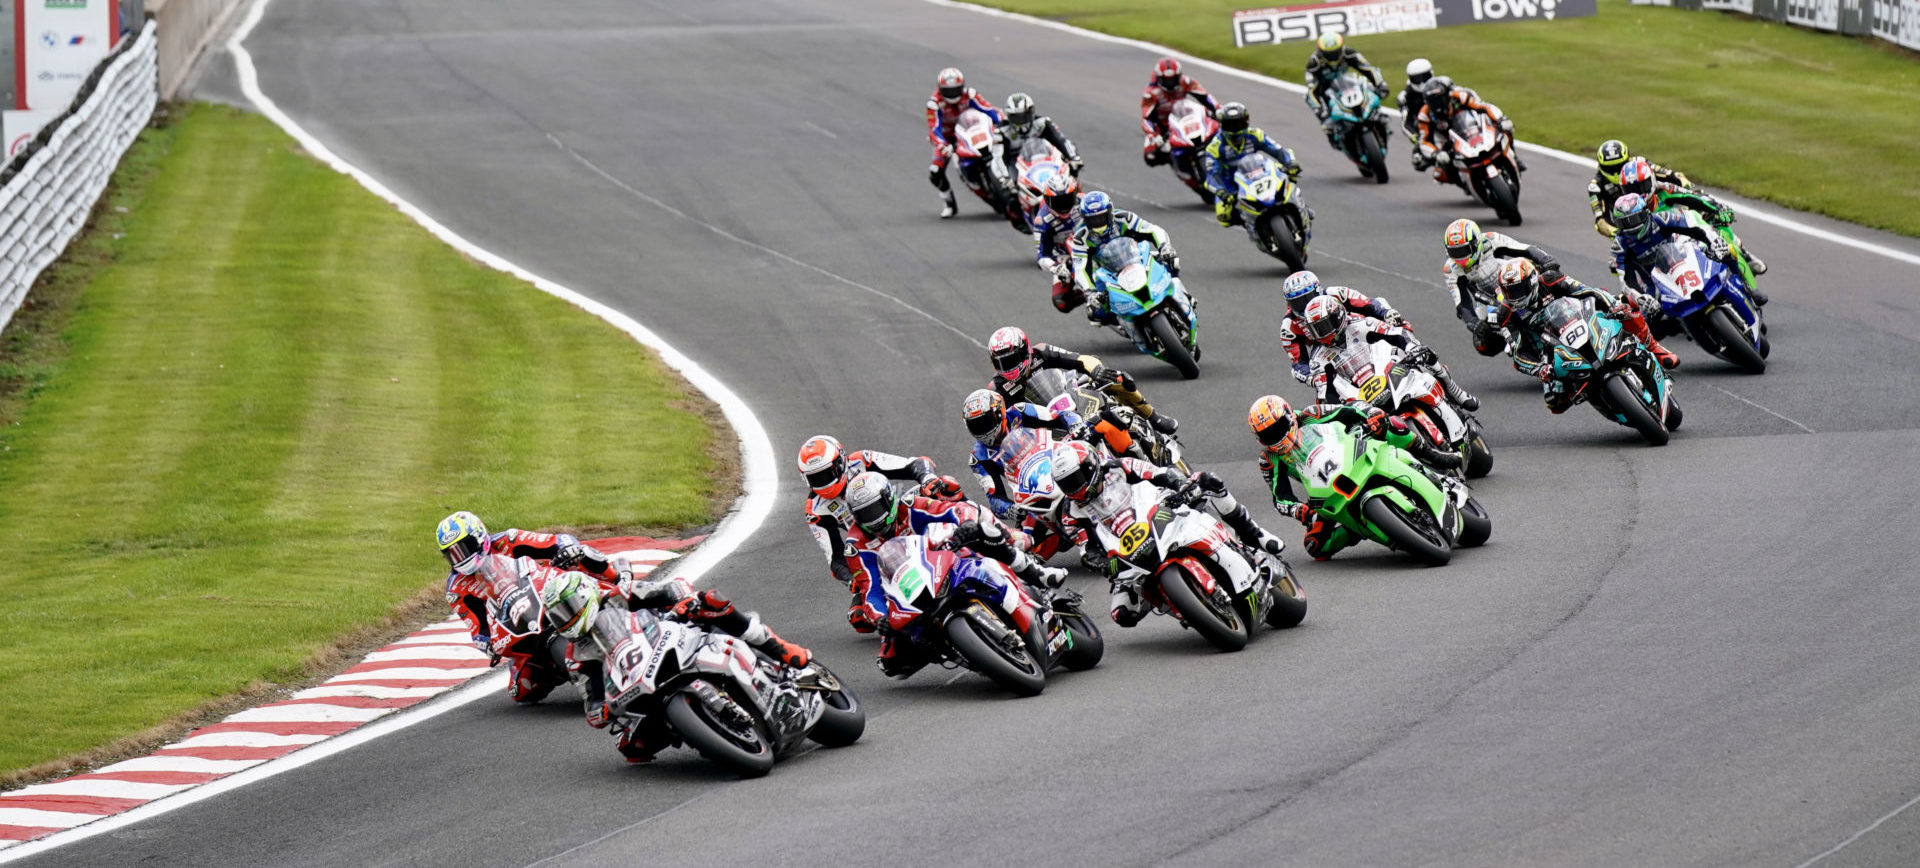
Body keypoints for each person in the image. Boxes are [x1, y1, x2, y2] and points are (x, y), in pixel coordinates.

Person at [543, 570, 811, 762]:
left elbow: (670, 588)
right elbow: (590, 699)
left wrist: (684, 600)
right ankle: (711, 734)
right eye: (559, 616)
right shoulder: (575, 655)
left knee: (712, 602)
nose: (567, 618)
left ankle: (780, 648)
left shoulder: (619, 596)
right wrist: (600, 711)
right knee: (633, 748)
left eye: (570, 608)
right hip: (640, 684)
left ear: (585, 595)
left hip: (675, 636)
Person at [842, 471, 1066, 677]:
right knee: (892, 662)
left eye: (875, 509)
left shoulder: (910, 506)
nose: (873, 518)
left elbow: (952, 510)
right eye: (864, 514)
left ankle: (1037, 573)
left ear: (888, 498)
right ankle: (963, 651)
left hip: (945, 560)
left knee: (984, 533)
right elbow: (868, 588)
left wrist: (966, 524)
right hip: (908, 591)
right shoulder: (856, 544)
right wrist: (880, 618)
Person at [1049, 440, 1283, 627]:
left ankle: (1253, 537)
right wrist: (1104, 564)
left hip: (1160, 515)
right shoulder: (1071, 511)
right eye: (1067, 484)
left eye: (1076, 479)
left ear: (1091, 465)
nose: (1074, 488)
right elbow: (1086, 549)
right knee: (1122, 614)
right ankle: (1185, 607)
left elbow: (1158, 473)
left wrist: (1180, 486)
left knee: (1209, 481)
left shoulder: (1119, 468)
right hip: (1128, 553)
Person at [1247, 395, 1445, 560]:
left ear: (1289, 415)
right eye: (1268, 435)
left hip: (1350, 450)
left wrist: (1370, 414)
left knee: (1388, 423)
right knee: (1315, 546)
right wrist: (1299, 510)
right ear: (1260, 439)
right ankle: (1359, 528)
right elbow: (1280, 498)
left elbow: (1348, 409)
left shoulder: (1310, 415)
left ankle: (1428, 454)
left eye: (1279, 426)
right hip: (1325, 489)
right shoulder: (1269, 459)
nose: (1277, 436)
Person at [795, 435, 958, 633]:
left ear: (841, 462)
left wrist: (927, 478)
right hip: (875, 544)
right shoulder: (815, 509)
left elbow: (916, 463)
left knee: (947, 488)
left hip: (903, 512)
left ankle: (985, 535)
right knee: (859, 617)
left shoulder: (862, 460)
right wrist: (851, 579)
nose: (824, 483)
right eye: (816, 479)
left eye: (827, 474)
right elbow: (836, 559)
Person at [1487, 257, 1676, 414]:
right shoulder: (1505, 315)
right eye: (1509, 291)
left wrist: (1612, 306)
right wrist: (1539, 369)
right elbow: (1517, 353)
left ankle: (1653, 348)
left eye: (1518, 289)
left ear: (1532, 281)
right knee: (1554, 403)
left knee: (1624, 306)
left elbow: (1585, 290)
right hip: (1550, 351)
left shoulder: (1550, 279)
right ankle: (1603, 399)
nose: (1515, 296)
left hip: (1579, 320)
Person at [437, 511, 628, 659]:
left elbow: (560, 540)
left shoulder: (508, 540)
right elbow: (478, 629)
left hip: (551, 586)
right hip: (516, 623)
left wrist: (566, 550)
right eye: (451, 554)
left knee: (581, 554)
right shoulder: (456, 589)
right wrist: (486, 644)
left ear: (478, 536)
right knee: (521, 690)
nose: (459, 558)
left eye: (463, 548)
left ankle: (618, 582)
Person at [1613, 157, 1768, 297]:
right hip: (1660, 258)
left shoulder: (1665, 189)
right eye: (1631, 189)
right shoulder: (1627, 211)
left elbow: (1693, 197)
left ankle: (1748, 281)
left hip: (1687, 236)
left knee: (1718, 228)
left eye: (1641, 186)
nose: (1638, 193)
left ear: (1652, 180)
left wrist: (1718, 207)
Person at [986, 325, 1179, 435]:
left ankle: (1153, 417)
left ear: (1025, 351)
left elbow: (1080, 359)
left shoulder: (1041, 352)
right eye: (1003, 363)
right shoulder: (997, 388)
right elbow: (1002, 426)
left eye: (1012, 360)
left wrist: (1096, 371)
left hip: (1070, 394)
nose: (1009, 368)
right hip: (1044, 427)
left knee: (1119, 379)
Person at [1298, 295, 1480, 412]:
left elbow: (1394, 333)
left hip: (1383, 363)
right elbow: (1326, 393)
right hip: (1360, 392)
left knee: (1423, 353)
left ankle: (1455, 390)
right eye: (1316, 330)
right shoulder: (1318, 358)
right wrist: (1339, 408)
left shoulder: (1358, 324)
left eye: (1324, 326)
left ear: (1337, 317)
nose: (1322, 333)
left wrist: (1410, 348)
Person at [1440, 218, 1567, 357]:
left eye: (1464, 250)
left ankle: (1569, 307)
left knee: (1552, 279)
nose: (1460, 258)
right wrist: (1474, 323)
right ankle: (1518, 346)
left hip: (1516, 279)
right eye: (1455, 253)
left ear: (1475, 243)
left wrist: (1546, 260)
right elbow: (1462, 304)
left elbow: (1526, 249)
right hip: (1488, 301)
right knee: (1482, 344)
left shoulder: (1491, 239)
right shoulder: (1450, 269)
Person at [1606, 192, 1751, 309]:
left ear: (1645, 213)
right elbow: (1625, 280)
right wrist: (1639, 297)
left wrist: (1713, 241)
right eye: (1625, 223)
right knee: (1643, 324)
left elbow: (1694, 228)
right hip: (1656, 285)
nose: (1631, 226)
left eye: (1634, 219)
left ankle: (1747, 290)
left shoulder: (1661, 218)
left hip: (1686, 259)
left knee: (1727, 250)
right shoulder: (1620, 245)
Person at [1068, 191, 1182, 328]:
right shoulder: (1081, 238)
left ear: (1110, 212)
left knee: (1172, 263)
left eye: (1101, 217)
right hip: (1109, 273)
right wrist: (1090, 292)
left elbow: (1153, 230)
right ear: (1085, 219)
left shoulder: (1124, 218)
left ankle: (1182, 298)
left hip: (1138, 258)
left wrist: (1164, 247)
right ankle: (1128, 326)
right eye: (1093, 219)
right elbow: (1080, 269)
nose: (1098, 223)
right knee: (1096, 313)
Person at [1277, 270, 1405, 385]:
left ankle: (1410, 354)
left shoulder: (1336, 293)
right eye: (1297, 303)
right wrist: (1311, 377)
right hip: (1327, 352)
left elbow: (1368, 304)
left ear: (1318, 291)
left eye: (1306, 299)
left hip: (1355, 329)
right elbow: (1299, 363)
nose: (1305, 307)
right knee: (1325, 394)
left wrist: (1386, 313)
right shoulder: (1288, 327)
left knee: (1397, 323)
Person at [1200, 103, 1303, 238]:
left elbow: (1279, 150)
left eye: (1238, 124)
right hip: (1232, 183)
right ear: (1222, 126)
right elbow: (1211, 175)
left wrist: (1290, 162)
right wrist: (1221, 191)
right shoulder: (1215, 146)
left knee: (1288, 177)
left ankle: (1301, 208)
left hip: (1260, 173)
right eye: (1230, 125)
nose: (1235, 129)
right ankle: (1251, 225)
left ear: (1246, 122)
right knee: (1223, 216)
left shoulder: (1256, 134)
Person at [925, 67, 1003, 219]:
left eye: (956, 90)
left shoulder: (970, 94)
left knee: (1004, 144)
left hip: (972, 131)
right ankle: (949, 203)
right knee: (935, 172)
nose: (953, 94)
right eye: (948, 91)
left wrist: (1000, 123)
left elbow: (987, 108)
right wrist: (941, 144)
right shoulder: (934, 104)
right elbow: (934, 129)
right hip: (949, 139)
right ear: (940, 90)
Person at [1416, 77, 1518, 185]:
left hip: (1470, 127)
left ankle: (1513, 155)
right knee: (1440, 174)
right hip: (1445, 139)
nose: (1437, 104)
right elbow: (1423, 141)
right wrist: (1436, 153)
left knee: (1505, 129)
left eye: (1439, 99)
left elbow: (1484, 106)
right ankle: (1463, 182)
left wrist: (1501, 119)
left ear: (1447, 95)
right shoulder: (1424, 115)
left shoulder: (1460, 96)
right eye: (1432, 102)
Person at [1303, 33, 1387, 149]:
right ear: (1321, 52)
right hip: (1325, 89)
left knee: (1369, 89)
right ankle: (1331, 132)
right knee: (1314, 103)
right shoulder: (1314, 64)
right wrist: (1318, 108)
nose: (1333, 57)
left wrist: (1380, 84)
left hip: (1345, 82)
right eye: (1329, 54)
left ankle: (1377, 114)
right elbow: (1312, 90)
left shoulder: (1349, 53)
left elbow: (1367, 68)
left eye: (1335, 53)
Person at [1139, 57, 1221, 175]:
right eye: (1166, 80)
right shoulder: (1150, 93)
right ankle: (1181, 168)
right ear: (1159, 78)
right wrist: (1153, 135)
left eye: (1173, 79)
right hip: (1164, 128)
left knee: (1217, 124)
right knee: (1150, 156)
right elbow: (1147, 118)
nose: (1170, 84)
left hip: (1185, 117)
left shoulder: (1186, 82)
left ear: (1179, 76)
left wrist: (1217, 109)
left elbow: (1205, 97)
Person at [1032, 173, 1086, 313]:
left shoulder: (1084, 202)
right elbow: (1042, 257)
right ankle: (1089, 296)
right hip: (1065, 258)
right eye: (1058, 202)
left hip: (1093, 245)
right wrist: (1055, 267)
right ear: (1047, 200)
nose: (1063, 206)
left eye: (1067, 199)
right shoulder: (1042, 221)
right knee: (1061, 302)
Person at [998, 92, 1083, 175]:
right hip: (1017, 165)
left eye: (1024, 116)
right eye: (1016, 118)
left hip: (1043, 161)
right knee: (1008, 183)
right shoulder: (1002, 130)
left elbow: (1061, 140)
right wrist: (1004, 176)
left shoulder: (1042, 123)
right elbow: (998, 157)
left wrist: (1074, 158)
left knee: (1070, 170)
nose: (1021, 121)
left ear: (1031, 112)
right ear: (1009, 117)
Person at [1397, 59, 1440, 169]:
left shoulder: (1441, 84)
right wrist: (1414, 136)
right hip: (1425, 127)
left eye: (1424, 77)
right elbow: (1405, 122)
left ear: (1431, 73)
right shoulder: (1406, 96)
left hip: (1446, 120)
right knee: (1418, 161)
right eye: (1416, 79)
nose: (1421, 82)